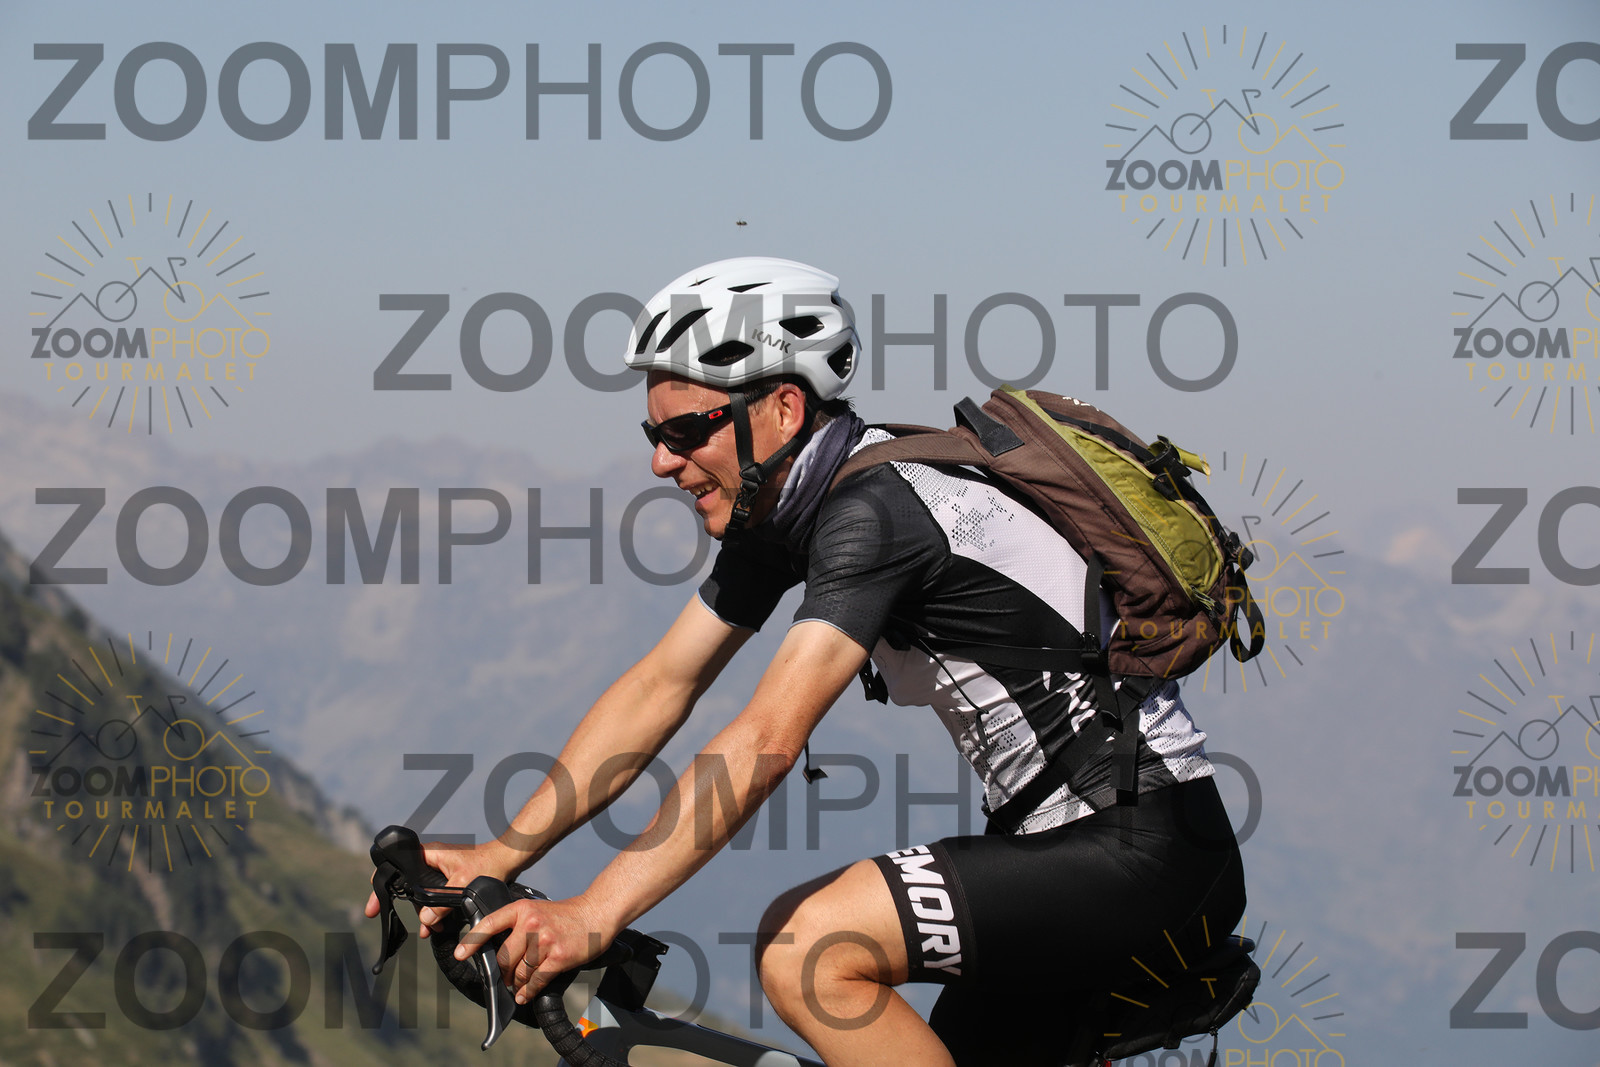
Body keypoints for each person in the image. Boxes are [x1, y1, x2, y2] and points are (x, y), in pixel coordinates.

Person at [367, 257, 1246, 1066]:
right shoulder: (787, 512)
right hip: (1066, 851)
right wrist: (501, 852)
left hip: (1142, 848)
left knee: (807, 948)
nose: (662, 460)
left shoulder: (874, 511)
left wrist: (593, 915)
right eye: (653, 431)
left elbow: (765, 741)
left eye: (687, 430)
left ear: (783, 409)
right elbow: (661, 686)